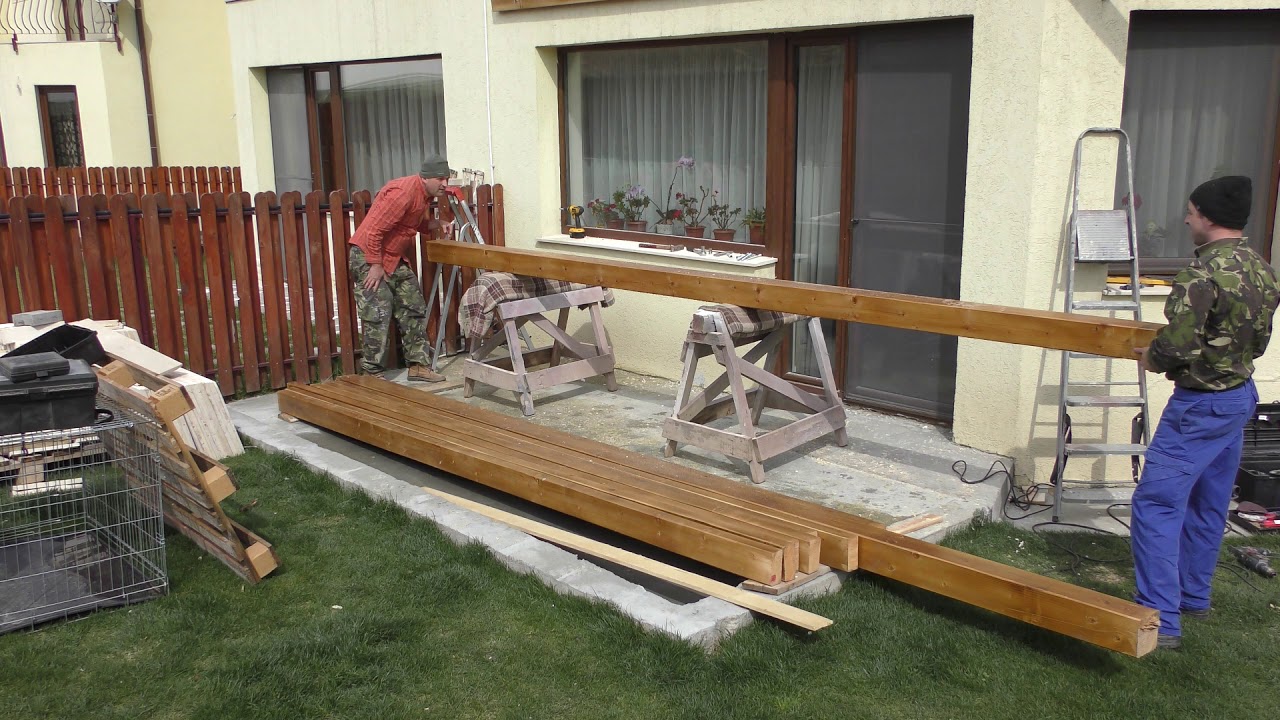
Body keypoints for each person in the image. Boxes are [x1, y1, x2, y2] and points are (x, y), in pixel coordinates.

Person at [1132, 175, 1280, 650]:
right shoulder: (1261, 267)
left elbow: (1177, 345)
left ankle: (1162, 620)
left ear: (1209, 217)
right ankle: (1194, 596)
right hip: (1239, 395)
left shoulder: (1201, 274)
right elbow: (1258, 338)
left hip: (1200, 404)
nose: (1186, 218)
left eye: (1191, 211)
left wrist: (1151, 357)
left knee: (1155, 504)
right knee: (1208, 503)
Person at [348, 155, 457, 382]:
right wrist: (376, 265)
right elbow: (374, 232)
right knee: (377, 312)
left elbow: (411, 222)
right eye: (440, 179)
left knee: (413, 305)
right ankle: (371, 372)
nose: (445, 184)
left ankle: (418, 366)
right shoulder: (403, 193)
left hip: (393, 257)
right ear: (425, 177)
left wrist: (438, 224)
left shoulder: (423, 195)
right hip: (368, 256)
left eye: (447, 178)